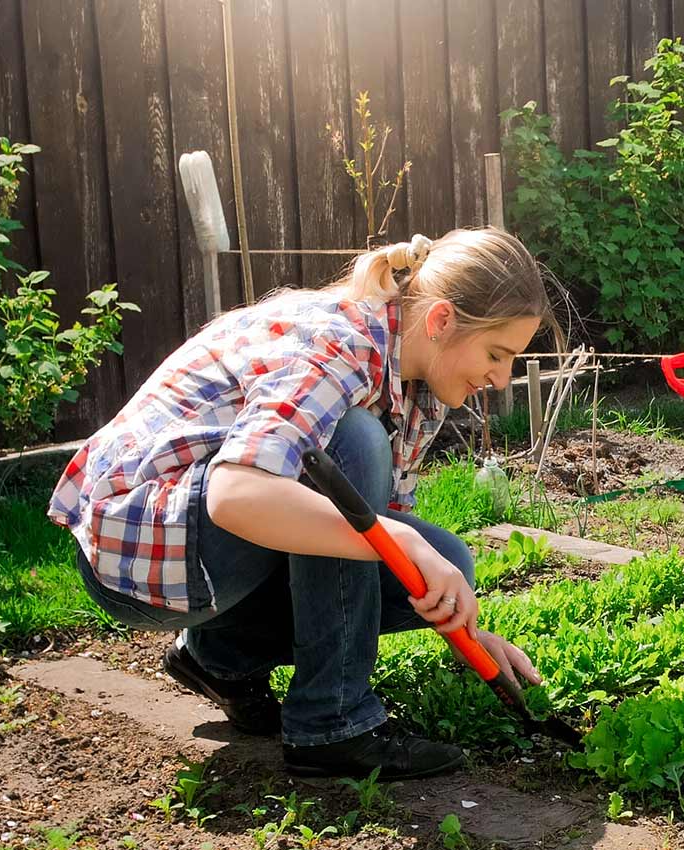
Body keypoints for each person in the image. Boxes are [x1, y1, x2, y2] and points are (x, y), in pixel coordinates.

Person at [48, 228, 556, 778]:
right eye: (496, 354)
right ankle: (332, 723)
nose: (501, 379)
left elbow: (375, 531)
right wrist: (402, 539)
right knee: (352, 441)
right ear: (440, 321)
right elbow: (235, 495)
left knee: (445, 563)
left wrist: (464, 632)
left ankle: (218, 656)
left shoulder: (417, 381)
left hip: (203, 548)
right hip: (142, 549)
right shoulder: (339, 346)